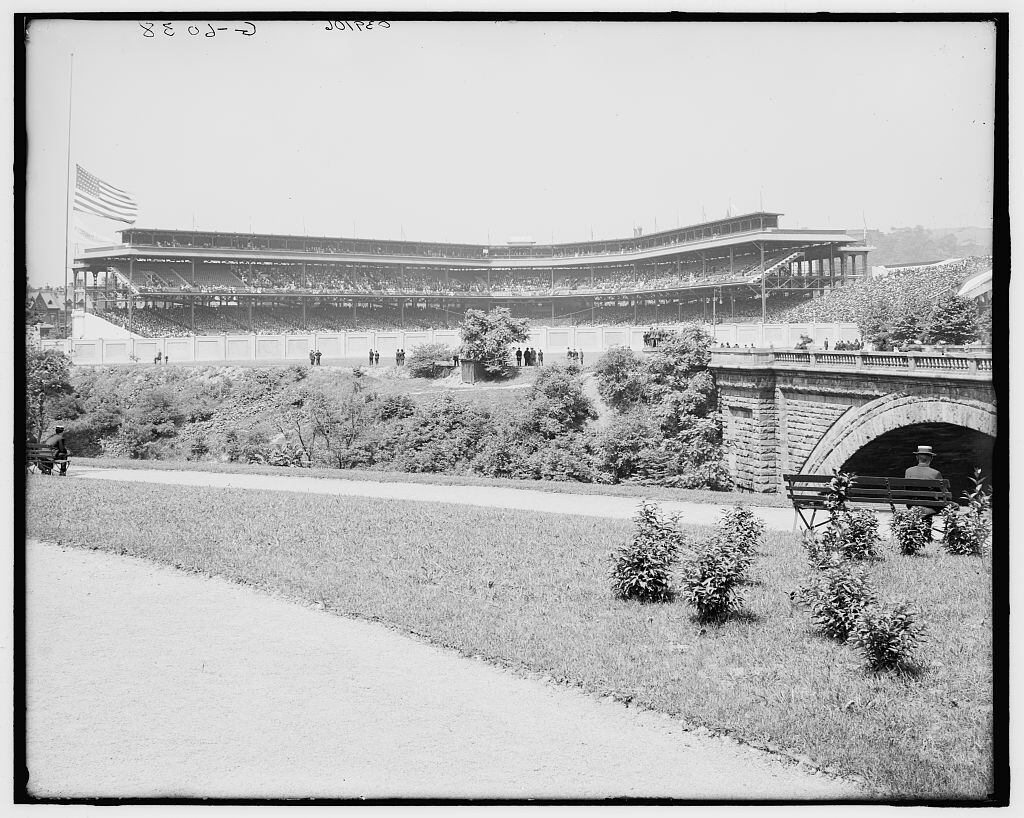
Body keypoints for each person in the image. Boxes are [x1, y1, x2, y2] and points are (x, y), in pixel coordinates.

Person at [905, 445, 944, 535]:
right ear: (931, 458)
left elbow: (906, 489)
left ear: (917, 457)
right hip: (929, 507)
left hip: (912, 505)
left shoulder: (908, 471)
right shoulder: (935, 473)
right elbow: (943, 493)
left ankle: (919, 532)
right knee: (953, 505)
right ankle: (927, 533)